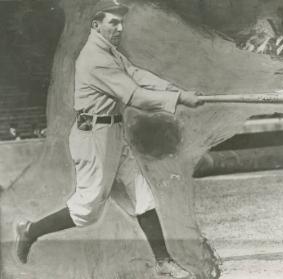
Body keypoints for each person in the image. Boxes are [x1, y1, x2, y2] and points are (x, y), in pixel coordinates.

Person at [15, 4, 203, 278]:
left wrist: (175, 90)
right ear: (96, 25)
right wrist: (180, 99)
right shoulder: (94, 58)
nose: (120, 28)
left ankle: (163, 262)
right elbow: (135, 96)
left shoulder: (109, 51)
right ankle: (30, 230)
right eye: (113, 23)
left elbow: (137, 75)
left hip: (113, 134)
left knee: (143, 195)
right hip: (93, 138)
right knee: (87, 211)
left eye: (121, 23)